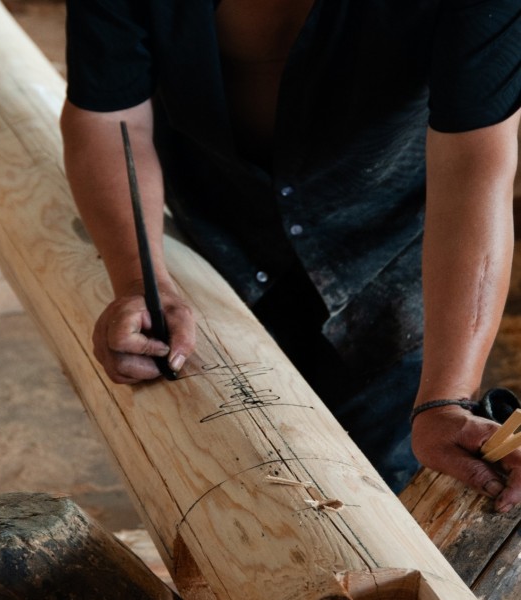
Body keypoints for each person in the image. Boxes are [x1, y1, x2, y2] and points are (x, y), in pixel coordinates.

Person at [60, 0, 521, 507]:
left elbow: (472, 169)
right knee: (225, 495)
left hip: (387, 253)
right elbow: (111, 119)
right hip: (216, 226)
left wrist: (445, 397)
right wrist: (138, 281)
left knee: (383, 498)